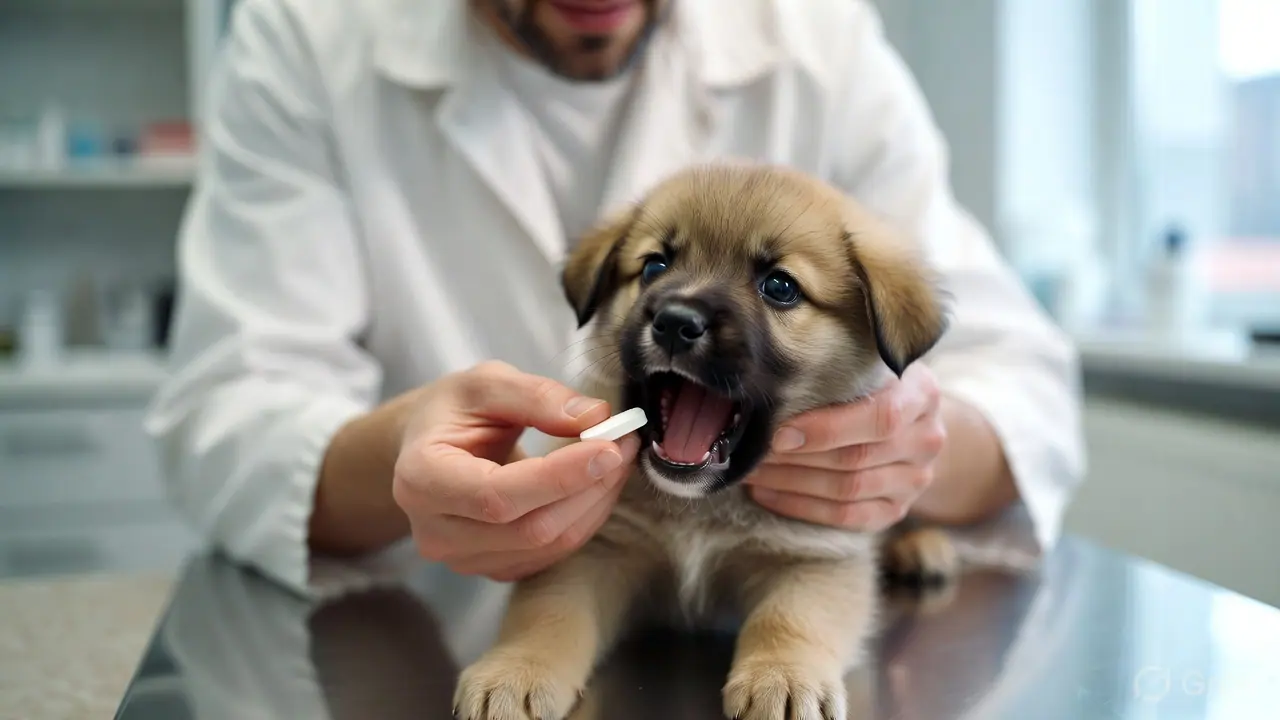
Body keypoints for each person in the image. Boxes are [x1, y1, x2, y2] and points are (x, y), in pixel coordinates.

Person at [145, 0, 1085, 598]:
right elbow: (229, 410)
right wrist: (394, 460)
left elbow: (1024, 386)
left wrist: (911, 455)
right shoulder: (305, 36)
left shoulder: (818, 38)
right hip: (428, 626)